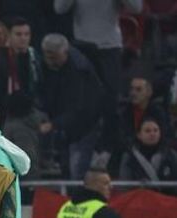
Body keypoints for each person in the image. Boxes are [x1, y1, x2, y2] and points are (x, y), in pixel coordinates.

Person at [54, 0, 144, 151]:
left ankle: (109, 146)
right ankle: (79, 145)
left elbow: (136, 7)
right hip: (83, 46)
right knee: (82, 100)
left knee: (111, 100)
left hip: (110, 47)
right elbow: (59, 8)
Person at [38, 33, 103, 179]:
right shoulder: (48, 66)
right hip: (65, 127)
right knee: (66, 168)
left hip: (84, 127)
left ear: (65, 52)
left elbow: (80, 107)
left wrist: (54, 124)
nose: (50, 61)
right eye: (48, 57)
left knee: (77, 170)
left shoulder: (79, 70)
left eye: (54, 58)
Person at [0, 17, 41, 123]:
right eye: (18, 34)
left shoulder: (35, 58)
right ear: (9, 36)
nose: (23, 38)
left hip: (34, 114)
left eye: (26, 34)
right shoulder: (0, 61)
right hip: (8, 117)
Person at [118, 77, 174, 152]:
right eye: (132, 89)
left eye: (138, 89)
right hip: (131, 151)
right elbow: (122, 137)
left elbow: (167, 136)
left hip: (156, 152)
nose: (133, 93)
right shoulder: (124, 112)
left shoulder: (159, 112)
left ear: (148, 93)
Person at [117, 117, 177, 183]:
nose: (152, 134)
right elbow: (125, 182)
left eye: (156, 130)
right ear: (139, 135)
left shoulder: (171, 154)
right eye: (147, 131)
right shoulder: (129, 156)